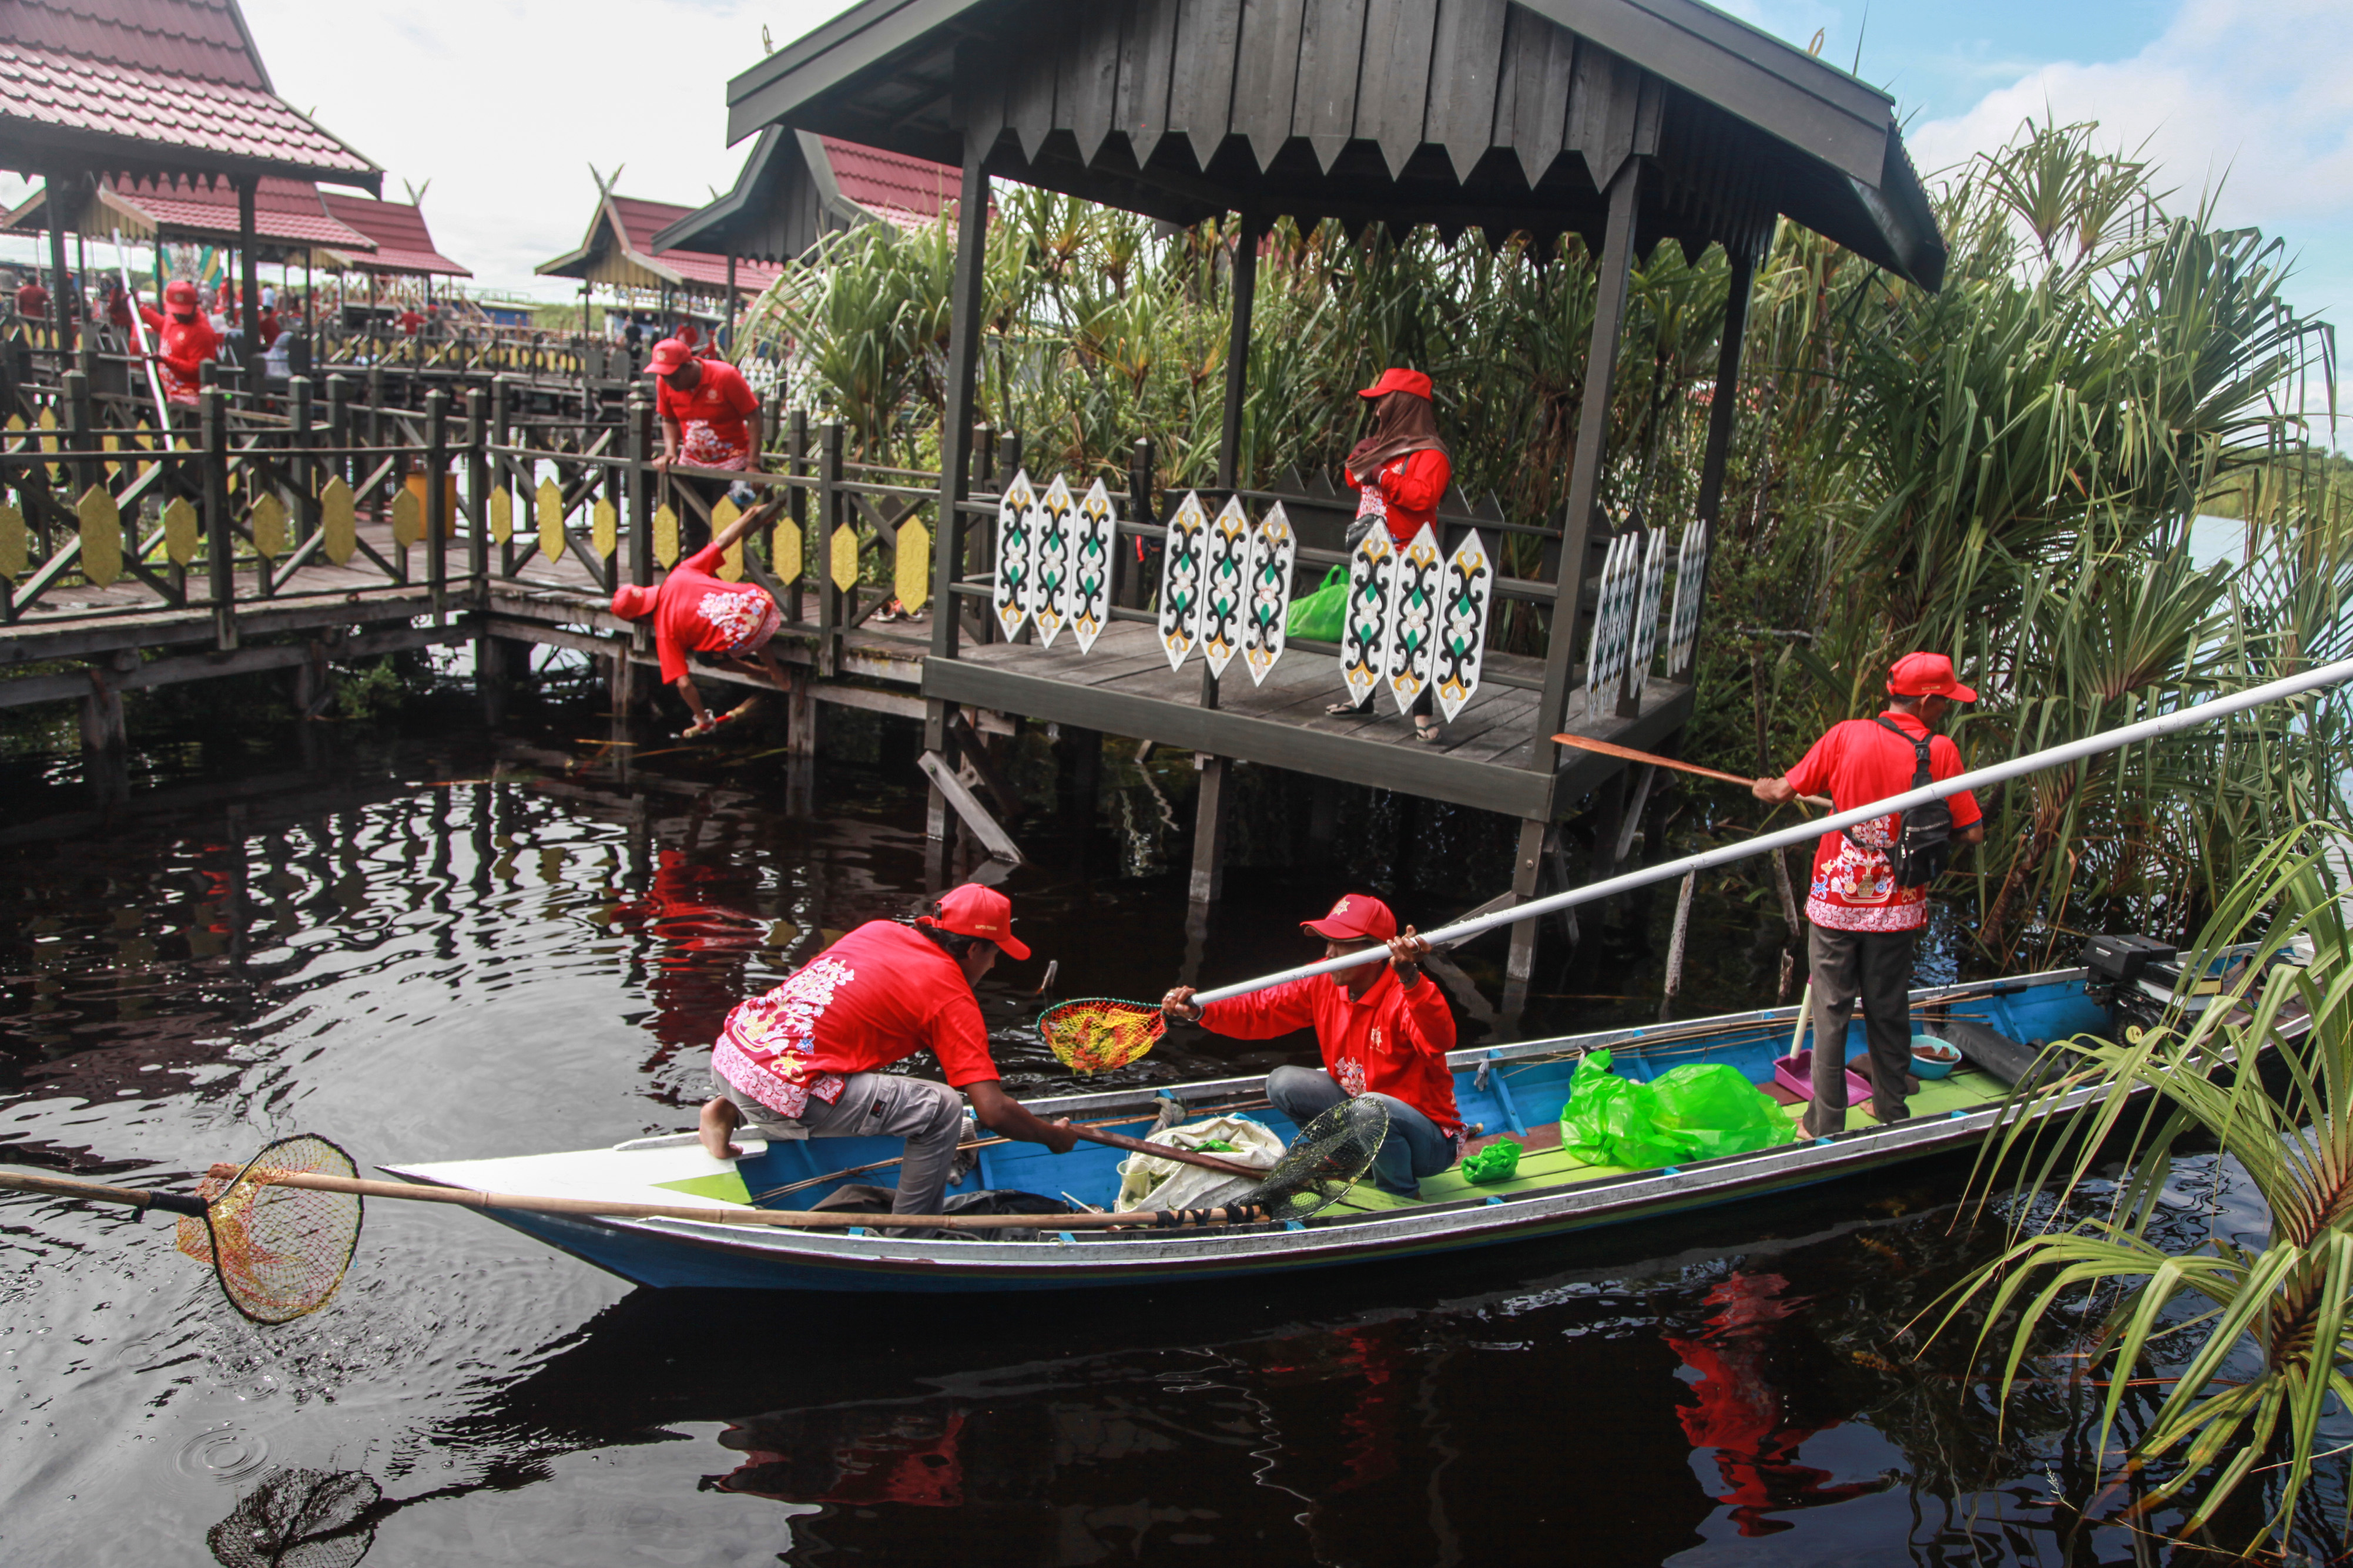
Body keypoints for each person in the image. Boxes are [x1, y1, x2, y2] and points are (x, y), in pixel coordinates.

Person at [698, 884, 1080, 1220]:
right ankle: (913, 1230)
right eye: (995, 953)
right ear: (976, 948)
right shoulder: (949, 995)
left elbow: (815, 1013)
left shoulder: (878, 929)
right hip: (780, 1095)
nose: (995, 963)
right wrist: (1051, 1136)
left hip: (734, 1053)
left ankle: (723, 1106)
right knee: (943, 1108)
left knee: (813, 1024)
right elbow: (993, 1111)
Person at [1752, 652, 1987, 1134]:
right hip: (1896, 907)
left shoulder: (1845, 735)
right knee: (1888, 1008)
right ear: (1924, 700)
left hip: (1837, 900)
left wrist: (1761, 788)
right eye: (1943, 702)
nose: (1944, 711)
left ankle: (1824, 1123)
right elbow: (1973, 832)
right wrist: (1925, 830)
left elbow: (1781, 792)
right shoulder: (1940, 751)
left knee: (1831, 1011)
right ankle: (1890, 1110)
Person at [1161, 893, 1462, 1198]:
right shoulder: (1325, 978)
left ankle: (1401, 1194)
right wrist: (1202, 1011)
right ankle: (1354, 1160)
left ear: (1374, 952)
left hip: (1428, 1144)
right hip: (1364, 1120)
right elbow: (1262, 1008)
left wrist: (1411, 978)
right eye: (1327, 941)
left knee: (1371, 1107)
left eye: (1341, 943)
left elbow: (1440, 1041)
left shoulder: (1405, 992)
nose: (1329, 952)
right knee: (1284, 1082)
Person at [1328, 367, 1452, 743]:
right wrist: (1363, 456)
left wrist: (1381, 474)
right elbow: (1352, 477)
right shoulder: (1384, 445)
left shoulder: (1432, 454)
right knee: (1366, 626)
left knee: (1412, 634)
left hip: (1409, 556)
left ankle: (1423, 715)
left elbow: (1423, 497)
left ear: (1402, 404)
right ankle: (1362, 698)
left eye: (1382, 400)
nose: (1377, 408)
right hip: (1372, 553)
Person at [610, 491, 791, 737]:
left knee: (711, 652)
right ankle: (778, 674)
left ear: (640, 619)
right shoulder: (680, 573)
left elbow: (684, 684)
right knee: (740, 619)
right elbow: (723, 541)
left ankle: (767, 674)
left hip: (749, 634)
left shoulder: (665, 634)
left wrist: (702, 717)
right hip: (763, 604)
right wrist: (750, 515)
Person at [647, 337, 764, 552]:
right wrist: (670, 452)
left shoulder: (725, 376)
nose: (669, 381)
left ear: (689, 366)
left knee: (727, 528)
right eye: (663, 375)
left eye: (673, 375)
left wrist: (753, 463)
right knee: (694, 531)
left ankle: (727, 581)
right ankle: (695, 580)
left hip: (731, 465)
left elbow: (754, 418)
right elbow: (669, 419)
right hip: (692, 465)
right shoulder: (664, 383)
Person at [139, 280, 220, 408]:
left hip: (194, 401)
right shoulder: (173, 318)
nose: (179, 316)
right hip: (173, 396)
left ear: (195, 305)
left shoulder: (202, 332)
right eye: (176, 311)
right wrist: (140, 308)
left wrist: (166, 360)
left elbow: (198, 370)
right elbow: (164, 325)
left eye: (183, 312)